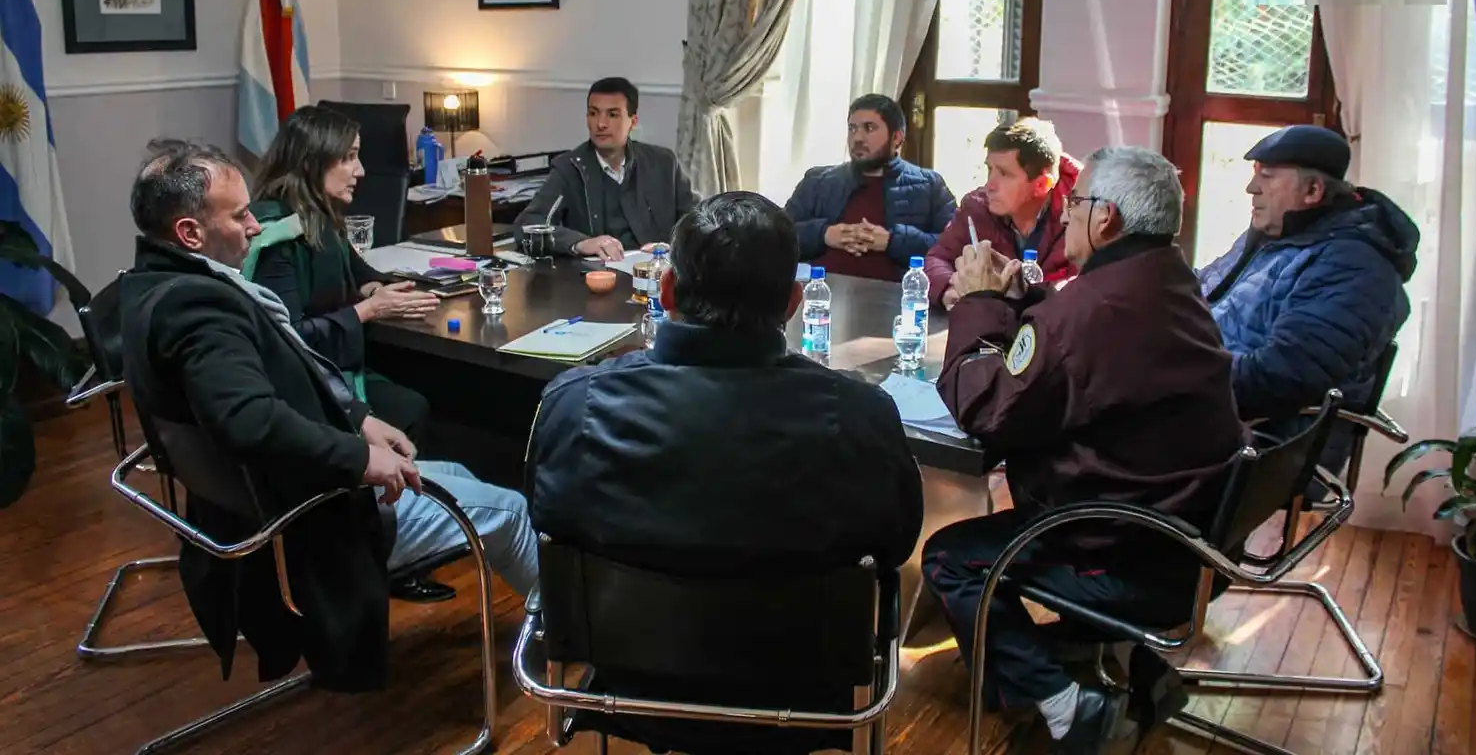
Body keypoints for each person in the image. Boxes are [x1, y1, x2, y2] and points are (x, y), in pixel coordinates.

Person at [119, 139, 538, 691]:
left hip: (269, 497)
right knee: (509, 508)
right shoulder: (200, 312)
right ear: (190, 234)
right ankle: (570, 637)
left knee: (458, 475)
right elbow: (249, 420)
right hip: (317, 514)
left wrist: (360, 416)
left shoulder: (146, 286)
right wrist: (360, 456)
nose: (254, 226)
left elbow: (287, 374)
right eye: (240, 214)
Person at [528, 191, 923, 754]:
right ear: (791, 303)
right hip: (802, 690)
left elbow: (550, 518)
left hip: (631, 679)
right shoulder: (861, 414)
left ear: (666, 292)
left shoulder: (574, 402)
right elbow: (896, 542)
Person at [921, 146, 1245, 753]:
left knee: (949, 558)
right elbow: (1080, 325)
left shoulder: (1090, 312)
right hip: (1193, 536)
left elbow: (985, 408)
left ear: (1107, 220)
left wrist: (978, 303)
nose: (1066, 215)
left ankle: (1064, 702)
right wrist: (1024, 291)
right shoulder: (1168, 278)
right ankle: (1119, 669)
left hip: (1126, 550)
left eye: (1075, 204)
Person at [244, 106, 452, 601]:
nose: (361, 171)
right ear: (315, 161)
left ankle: (406, 532)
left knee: (416, 400)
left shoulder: (318, 213)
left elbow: (356, 270)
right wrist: (366, 312)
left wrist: (379, 288)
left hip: (339, 366)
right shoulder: (279, 233)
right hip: (305, 388)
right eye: (351, 158)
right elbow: (287, 339)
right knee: (410, 408)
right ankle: (383, 553)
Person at [1198, 125, 1418, 467]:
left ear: (1313, 190)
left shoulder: (1354, 268)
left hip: (1264, 444)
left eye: (1267, 177)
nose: (1251, 188)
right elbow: (1208, 289)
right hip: (1214, 408)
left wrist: (1176, 371)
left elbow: (1283, 375)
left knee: (1099, 435)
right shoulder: (1280, 233)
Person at [513, 77, 698, 261]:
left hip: (656, 272)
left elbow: (697, 219)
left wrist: (673, 246)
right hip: (597, 276)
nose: (600, 124)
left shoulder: (663, 163)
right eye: (593, 113)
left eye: (612, 114)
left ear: (632, 122)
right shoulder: (570, 168)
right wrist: (581, 243)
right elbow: (528, 225)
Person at [783, 94, 956, 281]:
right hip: (822, 296)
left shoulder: (930, 186)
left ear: (897, 137)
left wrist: (892, 242)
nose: (857, 138)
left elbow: (953, 248)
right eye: (852, 128)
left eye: (869, 128)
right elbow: (778, 237)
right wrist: (823, 234)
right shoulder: (818, 181)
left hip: (898, 299)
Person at [925, 118, 1081, 311]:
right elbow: (937, 258)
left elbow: (1086, 287)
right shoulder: (976, 207)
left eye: (1004, 174)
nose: (990, 185)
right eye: (989, 170)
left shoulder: (1081, 215)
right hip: (993, 328)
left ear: (1042, 185)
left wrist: (1023, 293)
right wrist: (948, 290)